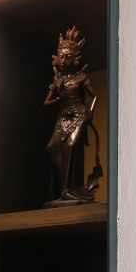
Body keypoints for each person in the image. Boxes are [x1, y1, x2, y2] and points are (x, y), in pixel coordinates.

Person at [43, 25, 103, 204]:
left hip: (79, 115)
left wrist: (90, 112)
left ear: (75, 59)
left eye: (67, 57)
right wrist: (58, 98)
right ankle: (63, 187)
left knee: (69, 147)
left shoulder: (80, 77)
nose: (63, 60)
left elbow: (94, 96)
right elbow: (46, 102)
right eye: (61, 56)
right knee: (52, 147)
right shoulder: (58, 79)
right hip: (62, 117)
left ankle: (66, 190)